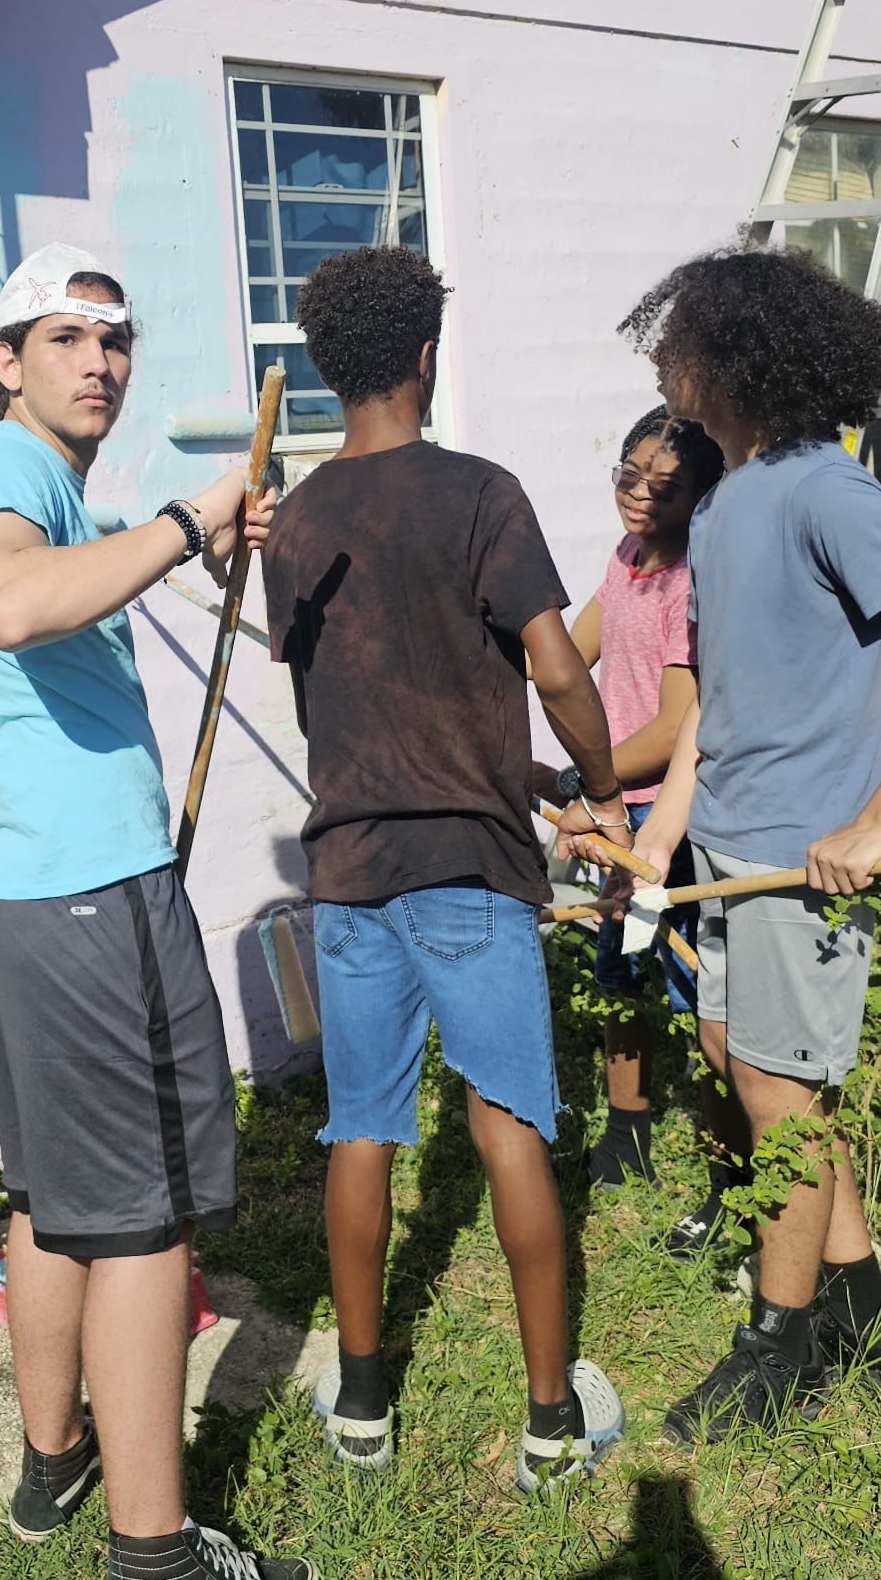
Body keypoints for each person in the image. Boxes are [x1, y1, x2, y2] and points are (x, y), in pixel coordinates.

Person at [0, 243, 316, 1580]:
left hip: (30, 889)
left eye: (118, 336)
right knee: (144, 1219)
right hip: (83, 900)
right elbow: (13, 601)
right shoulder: (4, 477)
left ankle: (55, 1461)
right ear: (6, 358)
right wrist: (178, 517)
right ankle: (155, 1569)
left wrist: (181, 546)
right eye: (67, 333)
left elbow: (50, 601)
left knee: (53, 1200)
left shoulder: (38, 481)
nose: (101, 357)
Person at [262, 242, 625, 1494]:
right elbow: (555, 672)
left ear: (328, 370)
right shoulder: (480, 491)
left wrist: (516, 775)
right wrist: (601, 787)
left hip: (352, 870)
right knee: (509, 1123)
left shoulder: (294, 517)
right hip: (467, 873)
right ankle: (546, 1423)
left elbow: (370, 706)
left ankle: (361, 1402)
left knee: (359, 1127)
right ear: (424, 354)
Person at [615, 244, 881, 1444]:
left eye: (675, 340)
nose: (661, 359)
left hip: (802, 853)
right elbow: (714, 696)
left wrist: (871, 824)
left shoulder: (828, 490)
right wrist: (665, 823)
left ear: (733, 353)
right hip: (723, 837)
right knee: (746, 1059)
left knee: (782, 1096)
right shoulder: (721, 501)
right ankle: (860, 1292)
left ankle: (780, 1344)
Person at [534, 406, 726, 1199]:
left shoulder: (692, 579)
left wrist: (587, 786)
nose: (642, 495)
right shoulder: (628, 557)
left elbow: (675, 726)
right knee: (620, 974)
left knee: (694, 990)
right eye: (630, 474)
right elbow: (566, 658)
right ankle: (627, 1137)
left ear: (703, 495)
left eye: (667, 486)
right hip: (618, 806)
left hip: (662, 817)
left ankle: (732, 1174)